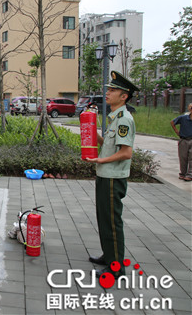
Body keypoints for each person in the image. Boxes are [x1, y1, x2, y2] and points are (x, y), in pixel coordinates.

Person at [85, 71, 139, 278]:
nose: (108, 93)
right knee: (104, 218)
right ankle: (109, 256)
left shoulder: (124, 120)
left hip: (113, 177)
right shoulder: (115, 117)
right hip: (105, 174)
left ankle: (116, 267)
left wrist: (100, 160)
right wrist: (91, 130)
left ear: (124, 96)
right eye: (108, 89)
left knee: (112, 222)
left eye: (113, 90)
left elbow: (126, 153)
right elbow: (108, 144)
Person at [170, 103, 192, 181]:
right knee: (183, 158)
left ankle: (190, 175)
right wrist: (177, 131)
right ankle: (182, 173)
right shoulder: (183, 118)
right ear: (190, 109)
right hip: (184, 139)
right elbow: (172, 122)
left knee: (191, 158)